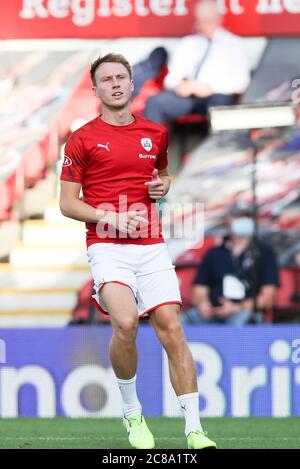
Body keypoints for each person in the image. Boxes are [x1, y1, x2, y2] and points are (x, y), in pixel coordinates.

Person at [59, 53, 216, 450]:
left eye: (120, 77)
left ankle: (195, 430)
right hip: (107, 246)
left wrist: (164, 185)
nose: (114, 83)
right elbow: (66, 203)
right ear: (94, 90)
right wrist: (107, 218)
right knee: (126, 322)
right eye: (106, 79)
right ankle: (132, 412)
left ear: (132, 85)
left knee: (172, 327)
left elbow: (161, 176)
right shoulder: (82, 139)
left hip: (151, 246)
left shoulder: (155, 133)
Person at [144, 0, 250, 125]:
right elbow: (171, 78)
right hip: (188, 97)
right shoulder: (187, 43)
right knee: (154, 102)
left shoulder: (235, 44)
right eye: (200, 21)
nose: (204, 25)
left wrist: (211, 88)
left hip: (216, 96)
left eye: (208, 20)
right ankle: (154, 144)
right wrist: (179, 86)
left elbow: (242, 82)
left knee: (220, 102)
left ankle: (218, 144)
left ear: (219, 19)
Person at [184, 203, 280, 325]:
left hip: (245, 311)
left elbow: (268, 297)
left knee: (238, 321)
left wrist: (237, 307)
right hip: (214, 312)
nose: (243, 220)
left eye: (247, 217)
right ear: (228, 220)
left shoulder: (264, 252)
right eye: (239, 216)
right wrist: (204, 304)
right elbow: (199, 289)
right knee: (186, 320)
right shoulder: (213, 253)